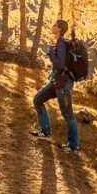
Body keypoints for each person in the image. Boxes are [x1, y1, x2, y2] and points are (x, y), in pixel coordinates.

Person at [31, 19, 79, 152]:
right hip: (56, 82)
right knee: (38, 99)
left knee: (67, 114)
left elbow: (61, 64)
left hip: (64, 85)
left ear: (59, 29)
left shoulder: (62, 44)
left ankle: (73, 145)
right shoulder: (59, 43)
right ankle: (45, 131)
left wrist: (51, 53)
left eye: (54, 25)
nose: (52, 26)